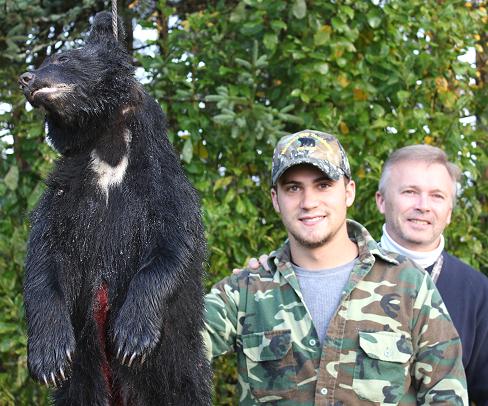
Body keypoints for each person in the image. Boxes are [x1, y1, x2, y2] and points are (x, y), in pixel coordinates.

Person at [203, 130, 468, 405]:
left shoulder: (409, 285)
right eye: (293, 188)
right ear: (275, 199)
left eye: (323, 185)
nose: (308, 202)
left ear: (348, 191)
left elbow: (447, 394)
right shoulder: (246, 292)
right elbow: (172, 343)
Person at [375, 145, 488, 405]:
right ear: (381, 201)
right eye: (410, 192)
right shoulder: (344, 270)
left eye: (437, 196)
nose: (423, 206)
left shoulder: (478, 292)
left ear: (449, 212)